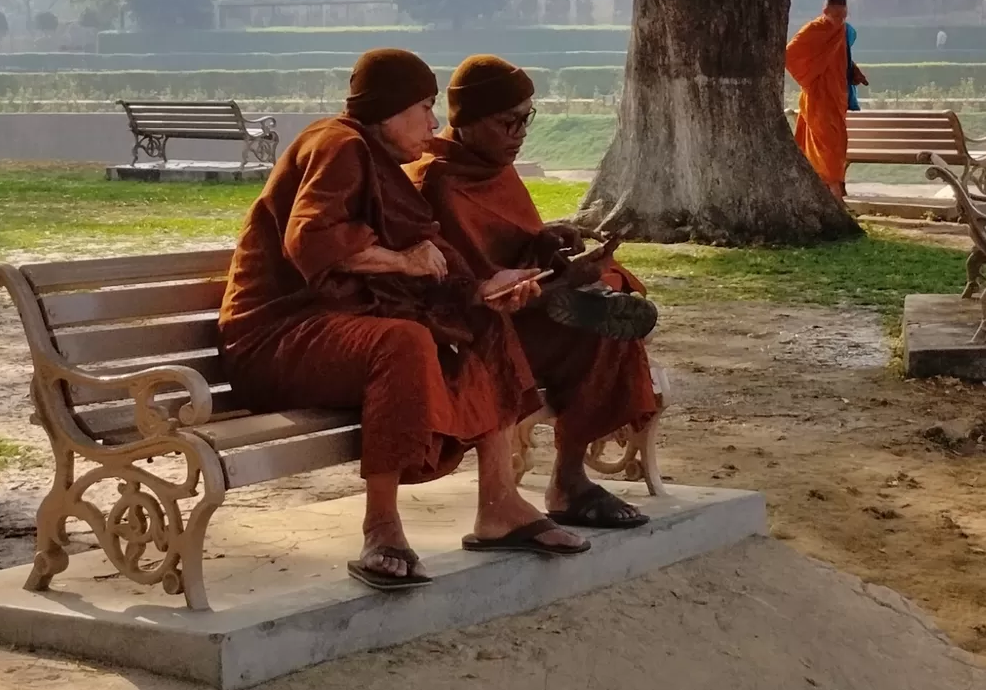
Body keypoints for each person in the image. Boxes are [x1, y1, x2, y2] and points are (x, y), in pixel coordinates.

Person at [219, 48, 588, 593]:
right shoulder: (338, 144)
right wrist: (401, 261)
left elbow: (428, 247)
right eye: (423, 107)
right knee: (404, 342)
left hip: (334, 331)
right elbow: (311, 240)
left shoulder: (378, 160)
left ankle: (499, 505)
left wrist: (486, 286)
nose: (434, 123)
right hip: (275, 337)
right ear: (389, 110)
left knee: (481, 322)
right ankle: (382, 528)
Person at [407, 55, 660, 530]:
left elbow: (508, 242)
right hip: (481, 330)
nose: (520, 132)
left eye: (527, 118)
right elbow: (470, 281)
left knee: (606, 309)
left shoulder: (495, 166)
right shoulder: (437, 179)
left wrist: (544, 241)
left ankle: (569, 479)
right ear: (466, 120)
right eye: (508, 122)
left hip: (533, 309)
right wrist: (556, 282)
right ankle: (567, 482)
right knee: (595, 318)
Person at [785, 0, 868, 199]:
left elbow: (842, 58)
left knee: (837, 145)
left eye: (844, 15)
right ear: (825, 12)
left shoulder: (844, 31)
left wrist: (854, 72)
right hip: (817, 97)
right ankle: (834, 192)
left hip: (837, 96)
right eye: (836, 15)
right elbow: (790, 54)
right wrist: (811, 77)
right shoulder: (814, 31)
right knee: (827, 146)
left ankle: (830, 188)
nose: (840, 19)